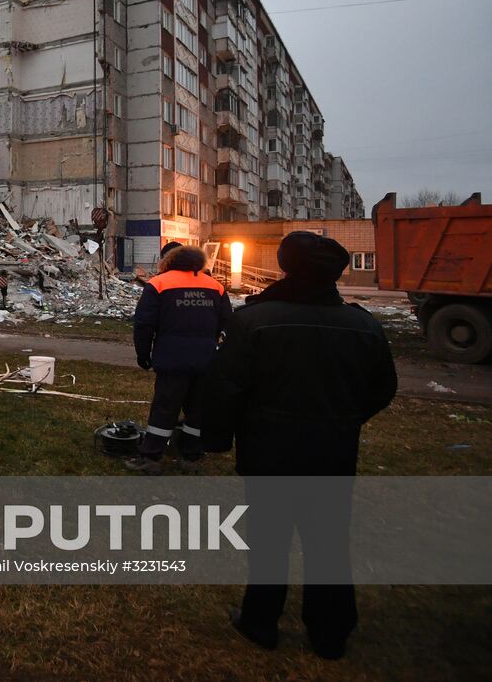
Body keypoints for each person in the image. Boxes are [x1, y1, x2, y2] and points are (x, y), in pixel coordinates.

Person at [203, 231, 398, 660]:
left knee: (269, 540)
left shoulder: (255, 320)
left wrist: (219, 436)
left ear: (285, 264)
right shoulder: (363, 325)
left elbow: (227, 386)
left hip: (269, 451)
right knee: (328, 541)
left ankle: (260, 622)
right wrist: (343, 420)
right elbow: (383, 388)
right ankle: (330, 633)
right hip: (333, 453)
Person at [128, 244, 230, 474]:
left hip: (171, 358)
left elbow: (144, 325)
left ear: (168, 261)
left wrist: (143, 355)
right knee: (198, 409)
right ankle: (191, 456)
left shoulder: (159, 283)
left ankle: (151, 456)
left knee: (165, 408)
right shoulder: (215, 286)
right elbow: (228, 324)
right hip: (206, 359)